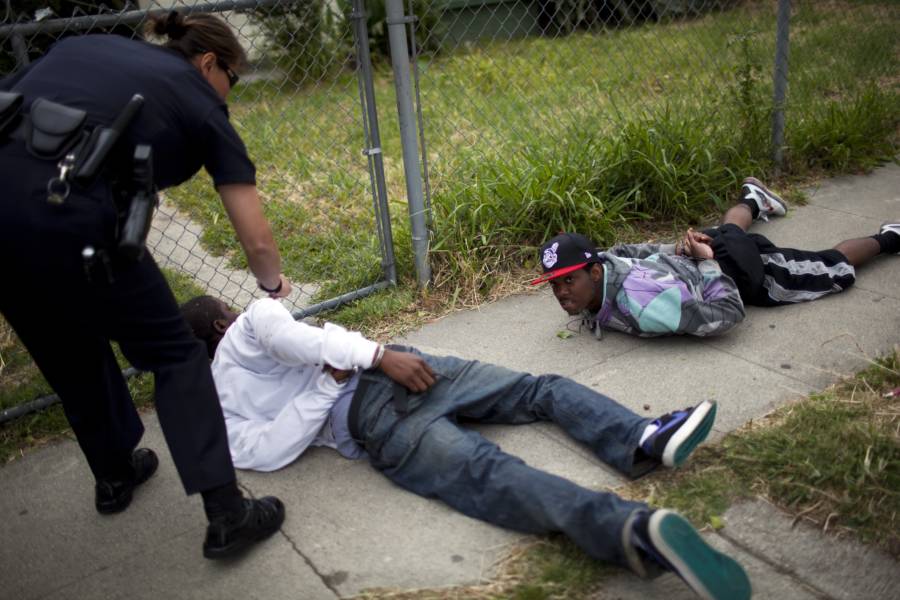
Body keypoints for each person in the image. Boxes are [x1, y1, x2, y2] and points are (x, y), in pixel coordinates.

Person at [181, 295, 752, 600]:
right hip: (405, 370)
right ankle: (641, 437)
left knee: (490, 474)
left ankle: (632, 532)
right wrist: (369, 360)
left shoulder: (213, 411)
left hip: (377, 427)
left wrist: (320, 396)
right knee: (537, 392)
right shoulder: (252, 321)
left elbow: (273, 450)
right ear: (219, 326)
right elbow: (302, 337)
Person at [0, 12, 293, 559]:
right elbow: (255, 238)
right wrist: (272, 285)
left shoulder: (92, 46)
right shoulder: (198, 97)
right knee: (176, 357)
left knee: (66, 343)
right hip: (69, 215)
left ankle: (114, 474)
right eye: (233, 76)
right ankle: (228, 514)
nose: (230, 92)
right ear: (210, 63)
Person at [534, 177, 899, 338]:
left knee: (830, 265)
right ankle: (753, 199)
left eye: (569, 280)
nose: (561, 292)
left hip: (741, 275)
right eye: (555, 283)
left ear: (595, 273)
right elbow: (624, 253)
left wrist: (707, 262)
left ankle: (889, 238)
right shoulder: (604, 264)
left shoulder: (646, 306)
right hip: (702, 254)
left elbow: (728, 314)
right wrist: (674, 250)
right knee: (729, 233)